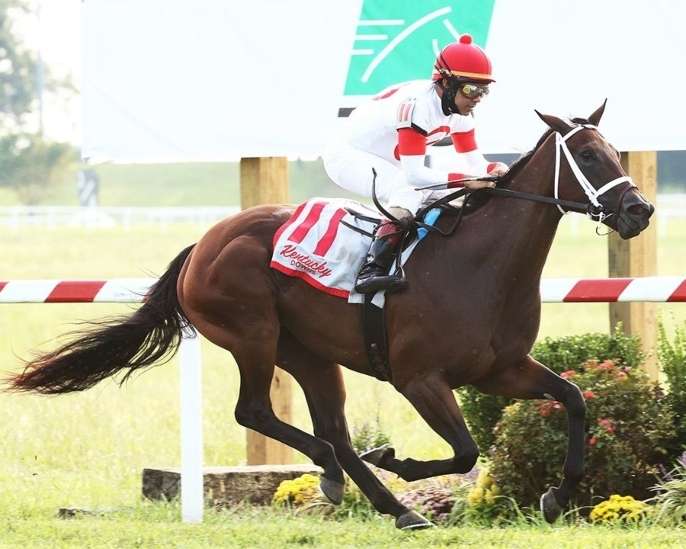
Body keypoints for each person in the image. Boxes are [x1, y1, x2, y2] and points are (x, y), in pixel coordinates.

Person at [323, 34, 508, 294]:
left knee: (450, 195)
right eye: (470, 89)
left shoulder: (461, 112)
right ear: (446, 83)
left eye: (483, 90)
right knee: (408, 189)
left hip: (388, 161)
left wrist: (495, 170)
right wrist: (467, 181)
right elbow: (415, 176)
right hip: (348, 156)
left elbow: (476, 163)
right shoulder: (418, 106)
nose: (477, 97)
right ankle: (371, 269)